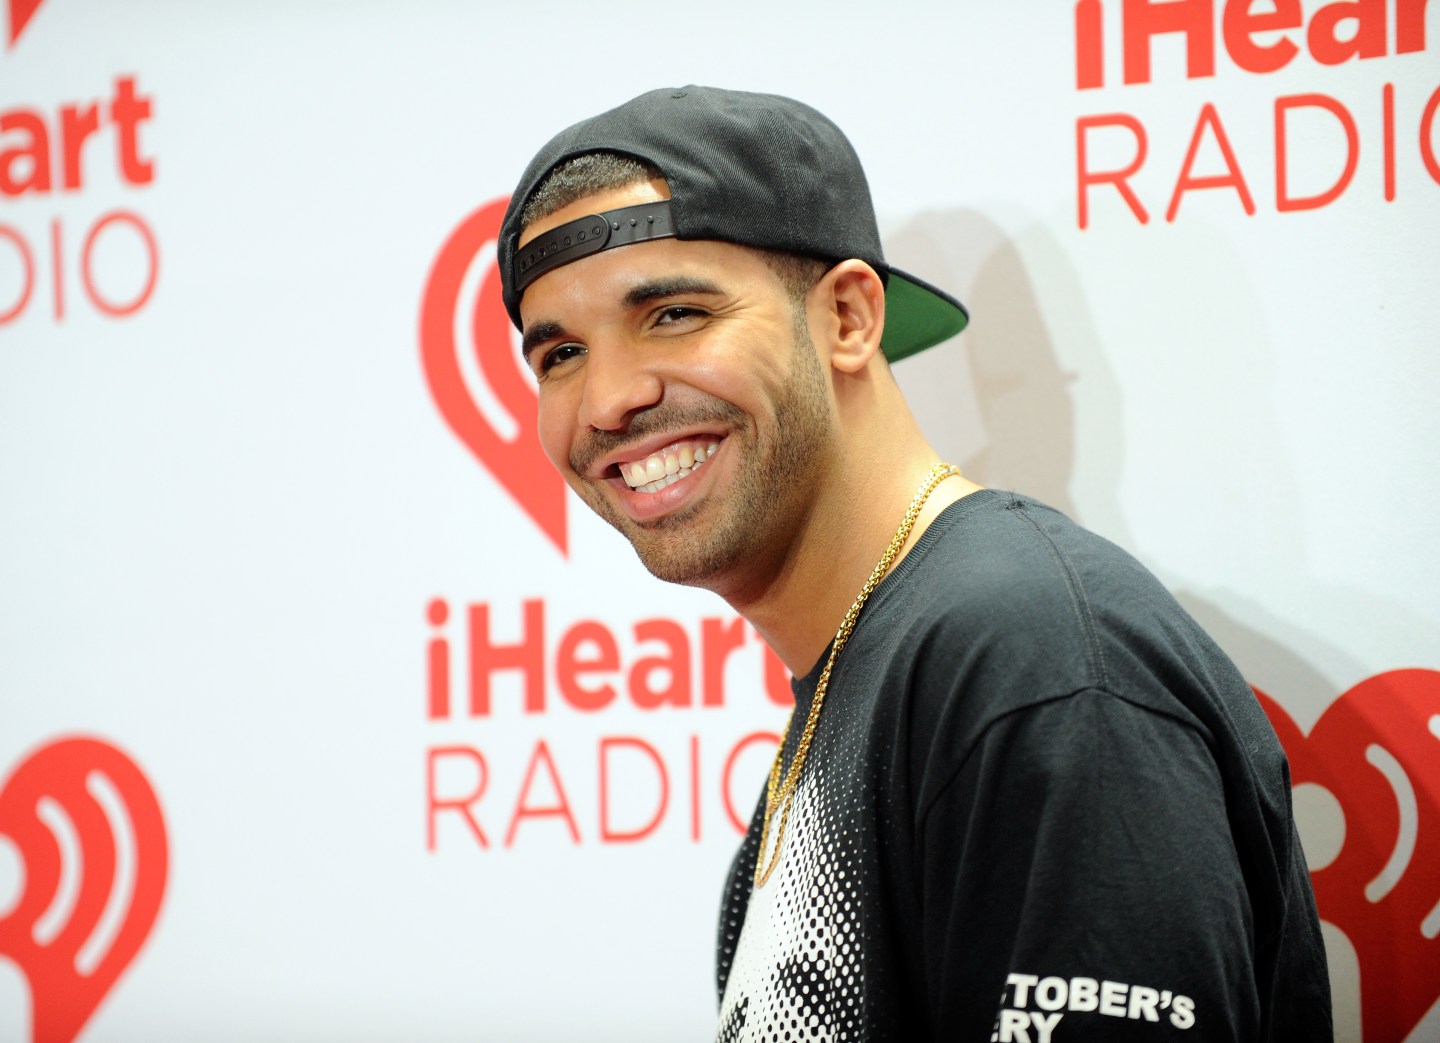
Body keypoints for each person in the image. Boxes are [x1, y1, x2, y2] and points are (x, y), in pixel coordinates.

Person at [497, 86, 1331, 1042]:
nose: (608, 397)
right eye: (558, 352)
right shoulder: (863, 698)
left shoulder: (1030, 652)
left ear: (850, 317)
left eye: (676, 312)